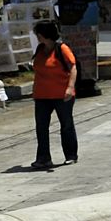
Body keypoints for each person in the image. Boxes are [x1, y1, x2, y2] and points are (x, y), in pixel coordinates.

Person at [30, 19, 78, 169]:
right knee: (41, 127)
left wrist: (70, 87)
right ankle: (43, 158)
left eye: (38, 34)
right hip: (42, 96)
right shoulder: (39, 49)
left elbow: (73, 68)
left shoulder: (62, 49)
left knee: (66, 125)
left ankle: (71, 155)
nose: (37, 37)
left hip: (62, 95)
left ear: (45, 34)